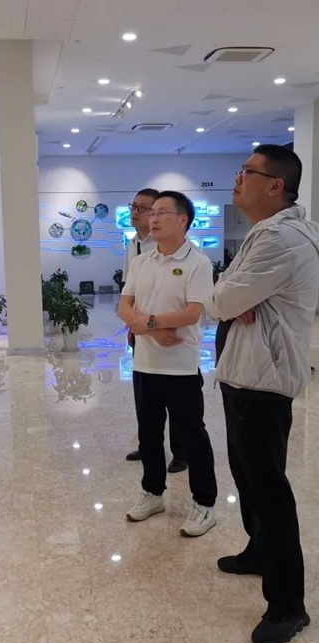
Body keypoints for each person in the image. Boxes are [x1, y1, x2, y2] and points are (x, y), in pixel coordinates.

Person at [205, 144, 319, 643]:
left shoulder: (280, 238)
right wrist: (231, 296)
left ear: (276, 185)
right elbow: (229, 295)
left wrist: (230, 297)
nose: (237, 179)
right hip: (246, 374)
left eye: (247, 172)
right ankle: (259, 552)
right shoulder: (268, 232)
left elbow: (220, 299)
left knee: (269, 490)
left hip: (262, 380)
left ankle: (289, 607)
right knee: (248, 478)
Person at [119, 191, 217, 537]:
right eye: (152, 213)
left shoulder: (198, 263)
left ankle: (205, 504)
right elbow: (124, 306)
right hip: (144, 364)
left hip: (180, 367)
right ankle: (153, 492)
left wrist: (147, 324)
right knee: (148, 433)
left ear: (183, 220)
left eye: (162, 212)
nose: (153, 218)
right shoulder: (141, 261)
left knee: (192, 436)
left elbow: (192, 313)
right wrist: (153, 330)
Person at [122, 188, 187, 473]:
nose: (136, 212)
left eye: (144, 208)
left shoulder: (170, 246)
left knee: (175, 395)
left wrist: (150, 326)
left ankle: (181, 451)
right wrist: (136, 327)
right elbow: (129, 293)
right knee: (144, 394)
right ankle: (148, 444)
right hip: (142, 331)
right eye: (134, 206)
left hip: (170, 332)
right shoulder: (133, 245)